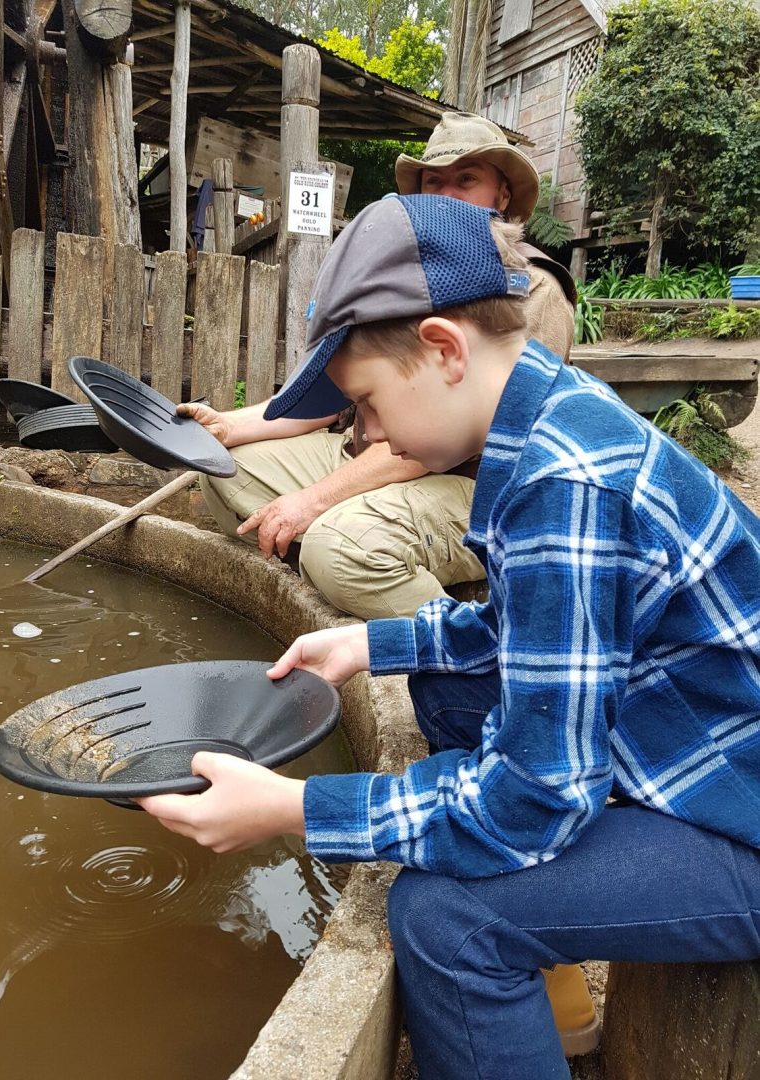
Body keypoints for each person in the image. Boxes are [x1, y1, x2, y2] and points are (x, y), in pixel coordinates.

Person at [139, 194, 760, 1079]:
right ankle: (544, 976)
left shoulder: (564, 488)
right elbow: (531, 629)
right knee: (446, 686)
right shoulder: (549, 407)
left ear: (442, 349)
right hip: (688, 728)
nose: (365, 434)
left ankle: (507, 967)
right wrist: (371, 647)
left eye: (364, 402)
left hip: (737, 816)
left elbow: (541, 799)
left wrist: (297, 810)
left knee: (444, 919)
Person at [179, 112, 575, 623]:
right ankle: (351, 561)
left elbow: (445, 435)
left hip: (473, 481)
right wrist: (230, 425)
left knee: (335, 547)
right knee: (222, 472)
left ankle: (449, 628)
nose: (446, 195)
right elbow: (346, 394)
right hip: (372, 452)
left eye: (467, 180)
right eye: (434, 182)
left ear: (502, 195)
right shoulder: (407, 277)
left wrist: (315, 501)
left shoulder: (535, 289)